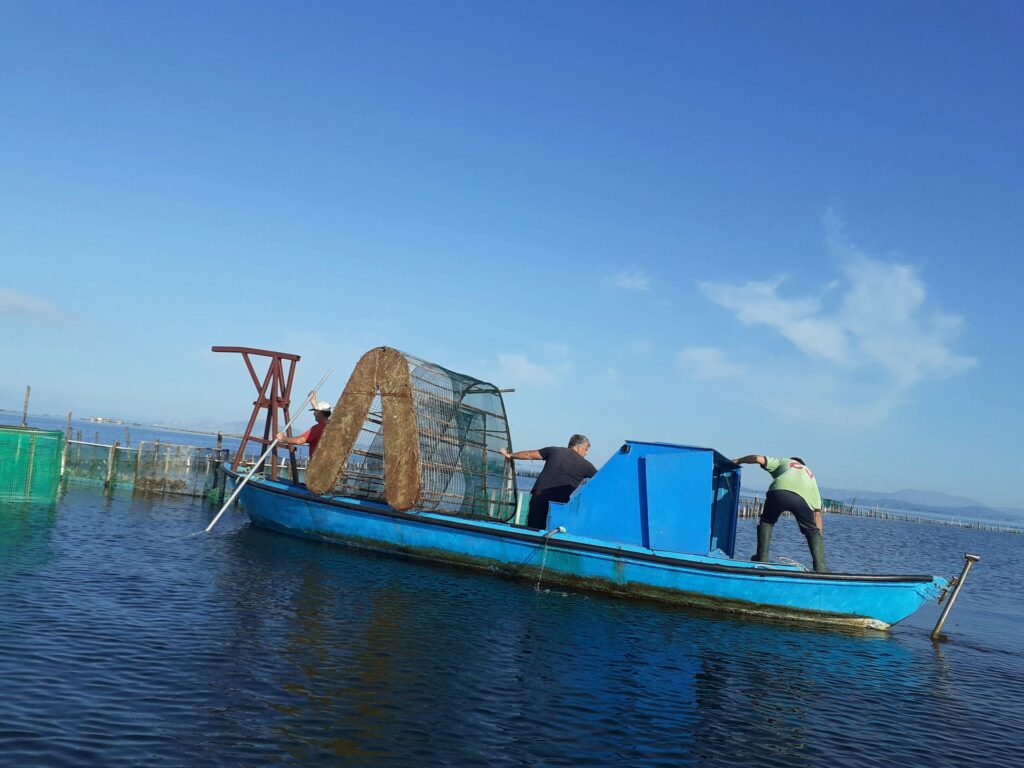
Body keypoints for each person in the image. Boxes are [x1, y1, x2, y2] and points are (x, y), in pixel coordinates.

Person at [732, 454, 828, 573]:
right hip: (803, 498)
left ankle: (762, 560)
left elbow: (757, 458)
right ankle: (821, 569)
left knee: (767, 521)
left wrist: (738, 461)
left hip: (778, 491)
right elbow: (817, 515)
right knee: (812, 531)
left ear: (792, 461)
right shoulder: (810, 475)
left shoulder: (785, 462)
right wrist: (818, 540)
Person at [501, 434, 597, 530]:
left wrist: (510, 455)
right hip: (559, 503)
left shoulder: (553, 451)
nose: (586, 454)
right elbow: (600, 480)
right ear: (579, 447)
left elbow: (528, 455)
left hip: (539, 496)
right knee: (554, 530)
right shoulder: (586, 466)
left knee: (533, 528)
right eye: (586, 449)